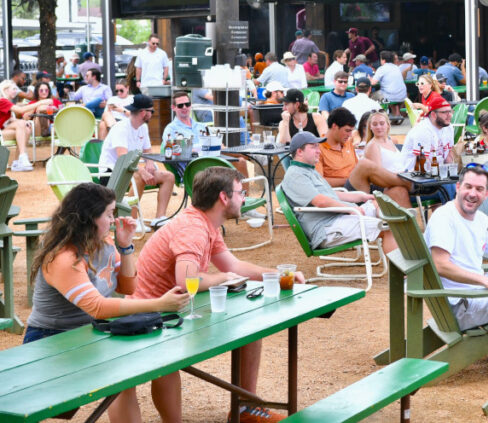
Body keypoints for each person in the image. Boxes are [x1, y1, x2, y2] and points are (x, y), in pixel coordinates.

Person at [112, 167, 304, 423]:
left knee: (250, 326)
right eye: (240, 192)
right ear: (224, 198)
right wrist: (222, 279)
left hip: (174, 310)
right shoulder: (193, 227)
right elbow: (188, 279)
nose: (244, 198)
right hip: (152, 317)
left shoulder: (207, 223)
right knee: (166, 365)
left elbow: (233, 266)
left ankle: (245, 409)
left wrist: (277, 274)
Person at [23, 183, 189, 344]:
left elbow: (127, 287)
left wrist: (125, 248)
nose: (113, 220)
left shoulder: (104, 242)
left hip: (92, 329)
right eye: (109, 214)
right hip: (51, 338)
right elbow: (98, 307)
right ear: (90, 217)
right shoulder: (64, 258)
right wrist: (158, 304)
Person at [424, 165, 488, 329]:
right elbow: (440, 265)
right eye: (468, 187)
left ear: (486, 194)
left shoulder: (481, 219)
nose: (472, 193)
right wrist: (485, 281)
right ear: (458, 187)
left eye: (479, 189)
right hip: (460, 304)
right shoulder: (444, 217)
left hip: (475, 293)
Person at [99, 94, 175, 226]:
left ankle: (159, 218)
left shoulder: (143, 127)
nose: (152, 114)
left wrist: (150, 164)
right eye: (151, 111)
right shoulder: (121, 128)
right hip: (110, 173)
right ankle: (132, 221)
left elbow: (147, 151)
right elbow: (123, 157)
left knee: (168, 176)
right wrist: (142, 170)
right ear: (143, 113)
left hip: (129, 169)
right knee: (138, 177)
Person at [317, 108, 412, 206]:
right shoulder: (318, 148)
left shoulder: (347, 143)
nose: (350, 135)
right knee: (364, 164)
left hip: (362, 185)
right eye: (347, 131)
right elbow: (319, 182)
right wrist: (351, 177)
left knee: (398, 190)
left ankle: (410, 220)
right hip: (343, 191)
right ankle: (409, 183)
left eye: (351, 131)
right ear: (334, 127)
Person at [400, 96, 455, 171]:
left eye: (450, 111)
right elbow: (421, 164)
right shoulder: (423, 130)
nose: (450, 115)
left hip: (436, 173)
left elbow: (448, 154)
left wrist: (451, 173)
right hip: (414, 175)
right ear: (433, 115)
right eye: (445, 112)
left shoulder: (448, 127)